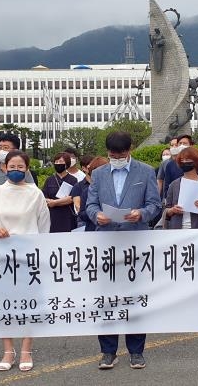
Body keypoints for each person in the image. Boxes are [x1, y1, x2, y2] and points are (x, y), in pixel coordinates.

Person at [85, 132, 160, 371]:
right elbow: (90, 204)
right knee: (106, 299)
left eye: (120, 154)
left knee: (136, 297)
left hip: (135, 241)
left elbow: (155, 205)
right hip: (106, 242)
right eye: (112, 155)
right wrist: (96, 215)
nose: (116, 158)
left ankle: (136, 351)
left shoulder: (145, 171)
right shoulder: (97, 174)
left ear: (130, 150)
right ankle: (108, 352)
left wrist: (142, 214)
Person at [0, 150, 50, 372]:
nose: (16, 171)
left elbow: (44, 226)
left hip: (27, 258)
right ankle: (8, 350)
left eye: (21, 167)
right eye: (12, 167)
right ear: (4, 167)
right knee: (2, 304)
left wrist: (39, 252)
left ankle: (27, 348)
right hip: (0, 258)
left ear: (27, 169)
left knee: (29, 304)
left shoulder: (35, 193)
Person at [0, 133, 35, 214]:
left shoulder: (24, 171)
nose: (1, 151)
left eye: (6, 148)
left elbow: (33, 194)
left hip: (18, 216)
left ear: (16, 150)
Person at [164, 147, 198, 230]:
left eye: (187, 159)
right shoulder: (174, 184)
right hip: (176, 230)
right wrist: (172, 210)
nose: (184, 162)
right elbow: (166, 210)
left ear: (196, 161)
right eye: (182, 160)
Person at [160, 135, 198, 199]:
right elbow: (167, 186)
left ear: (190, 146)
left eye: (184, 143)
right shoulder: (170, 165)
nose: (182, 145)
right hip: (176, 202)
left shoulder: (197, 163)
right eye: (180, 143)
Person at [42, 152, 78, 232]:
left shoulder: (73, 180)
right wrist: (49, 201)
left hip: (67, 216)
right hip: (52, 216)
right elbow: (44, 197)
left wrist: (54, 202)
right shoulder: (49, 180)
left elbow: (71, 198)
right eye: (56, 161)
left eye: (61, 161)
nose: (58, 164)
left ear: (67, 164)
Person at [74, 157, 108, 232]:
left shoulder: (117, 189)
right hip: (92, 231)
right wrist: (96, 214)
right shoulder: (87, 191)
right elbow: (82, 214)